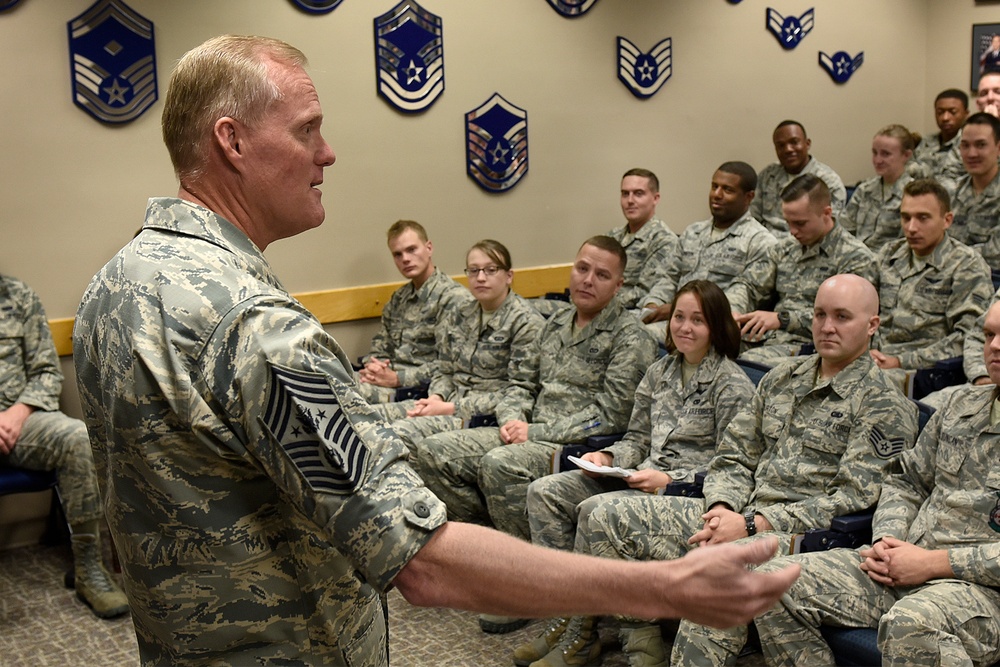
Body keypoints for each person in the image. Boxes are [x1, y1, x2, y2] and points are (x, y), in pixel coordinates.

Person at [73, 36, 800, 665]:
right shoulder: (254, 324)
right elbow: (423, 560)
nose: (328, 152)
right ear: (232, 141)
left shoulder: (116, 282)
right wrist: (663, 587)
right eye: (307, 131)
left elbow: (123, 524)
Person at [579, 274, 919, 667]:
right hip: (738, 512)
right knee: (604, 514)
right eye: (820, 314)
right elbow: (734, 455)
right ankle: (640, 647)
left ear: (872, 326)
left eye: (842, 317)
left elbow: (852, 501)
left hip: (798, 535)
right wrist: (723, 506)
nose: (827, 327)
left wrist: (755, 523)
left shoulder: (884, 405)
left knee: (719, 572)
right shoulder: (782, 378)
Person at [413, 235, 658, 633]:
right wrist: (512, 418)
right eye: (582, 268)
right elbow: (520, 383)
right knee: (433, 453)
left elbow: (611, 415)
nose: (588, 280)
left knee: (499, 465)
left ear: (619, 285)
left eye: (602, 275)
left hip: (576, 444)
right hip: (527, 431)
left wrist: (535, 430)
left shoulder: (631, 337)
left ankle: (525, 584)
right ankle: (488, 560)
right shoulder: (557, 321)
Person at [513, 280, 754, 667]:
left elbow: (735, 465)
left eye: (698, 320)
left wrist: (671, 481)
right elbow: (637, 438)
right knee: (545, 492)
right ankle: (564, 613)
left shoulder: (732, 385)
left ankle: (583, 631)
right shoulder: (659, 372)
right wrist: (609, 457)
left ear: (717, 327)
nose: (685, 327)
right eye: (678, 317)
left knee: (595, 511)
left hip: (683, 492)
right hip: (638, 477)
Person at [748, 298, 1000, 667]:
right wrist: (887, 540)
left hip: (978, 592)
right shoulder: (962, 404)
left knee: (909, 625)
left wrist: (932, 563)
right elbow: (907, 481)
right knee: (772, 582)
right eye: (989, 334)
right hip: (902, 564)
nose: (994, 346)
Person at [0, 275, 127, 619]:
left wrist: (18, 411)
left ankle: (90, 569)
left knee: (77, 438)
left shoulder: (17, 295)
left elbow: (46, 372)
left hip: (21, 419)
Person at [373, 239, 543, 451]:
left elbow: (519, 391)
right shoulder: (461, 313)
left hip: (482, 416)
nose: (480, 278)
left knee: (398, 434)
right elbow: (445, 370)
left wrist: (449, 407)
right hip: (446, 402)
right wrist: (435, 397)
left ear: (509, 276)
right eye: (473, 271)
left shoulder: (526, 322)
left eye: (490, 270)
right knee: (371, 420)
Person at [730, 174, 878, 364]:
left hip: (812, 345)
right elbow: (749, 284)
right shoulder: (786, 248)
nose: (792, 231)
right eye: (788, 223)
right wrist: (733, 310)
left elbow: (846, 320)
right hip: (766, 337)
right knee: (703, 343)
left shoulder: (856, 258)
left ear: (826, 213)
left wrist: (782, 319)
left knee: (749, 364)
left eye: (800, 223)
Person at [869, 178, 993, 391]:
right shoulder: (889, 254)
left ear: (947, 220)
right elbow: (860, 311)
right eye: (905, 217)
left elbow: (968, 336)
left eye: (923, 218)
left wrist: (900, 361)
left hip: (920, 373)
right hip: (872, 360)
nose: (911, 227)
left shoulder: (966, 265)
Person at [640, 162, 777, 339]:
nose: (716, 195)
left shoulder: (761, 242)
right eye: (714, 187)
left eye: (727, 190)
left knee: (640, 337)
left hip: (714, 326)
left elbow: (742, 297)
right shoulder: (693, 232)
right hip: (674, 319)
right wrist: (653, 305)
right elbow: (669, 277)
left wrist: (678, 309)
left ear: (748, 197)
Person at [358, 219, 473, 402]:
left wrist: (397, 378)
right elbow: (380, 345)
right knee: (336, 386)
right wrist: (374, 367)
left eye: (412, 249)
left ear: (429, 248)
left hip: (420, 390)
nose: (405, 259)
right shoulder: (399, 298)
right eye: (397, 254)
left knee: (348, 397)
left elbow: (451, 365)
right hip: (387, 380)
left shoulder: (454, 299)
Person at [751, 120, 847, 237]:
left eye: (794, 142)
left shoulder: (828, 181)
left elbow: (829, 231)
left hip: (804, 246)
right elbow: (753, 218)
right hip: (764, 244)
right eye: (781, 145)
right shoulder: (768, 175)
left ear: (807, 144)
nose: (788, 149)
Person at [605, 168, 679, 321]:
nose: (630, 200)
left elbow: (643, 293)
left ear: (655, 198)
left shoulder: (664, 241)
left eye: (638, 193)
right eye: (625, 193)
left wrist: (599, 300)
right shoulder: (612, 236)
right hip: (599, 307)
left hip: (628, 315)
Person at [841, 124, 917, 252]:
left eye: (885, 154)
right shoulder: (865, 190)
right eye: (875, 153)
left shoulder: (913, 194)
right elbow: (844, 231)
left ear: (906, 155)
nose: (877, 160)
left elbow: (906, 247)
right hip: (855, 258)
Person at [951, 112, 1000, 270]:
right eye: (965, 145)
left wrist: (947, 255)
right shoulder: (952, 191)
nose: (971, 154)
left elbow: (995, 253)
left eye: (981, 145)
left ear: (998, 148)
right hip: (948, 275)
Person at [909, 89, 969, 187]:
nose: (945, 118)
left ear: (966, 114)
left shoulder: (970, 145)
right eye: (940, 112)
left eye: (952, 112)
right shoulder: (926, 142)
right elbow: (908, 173)